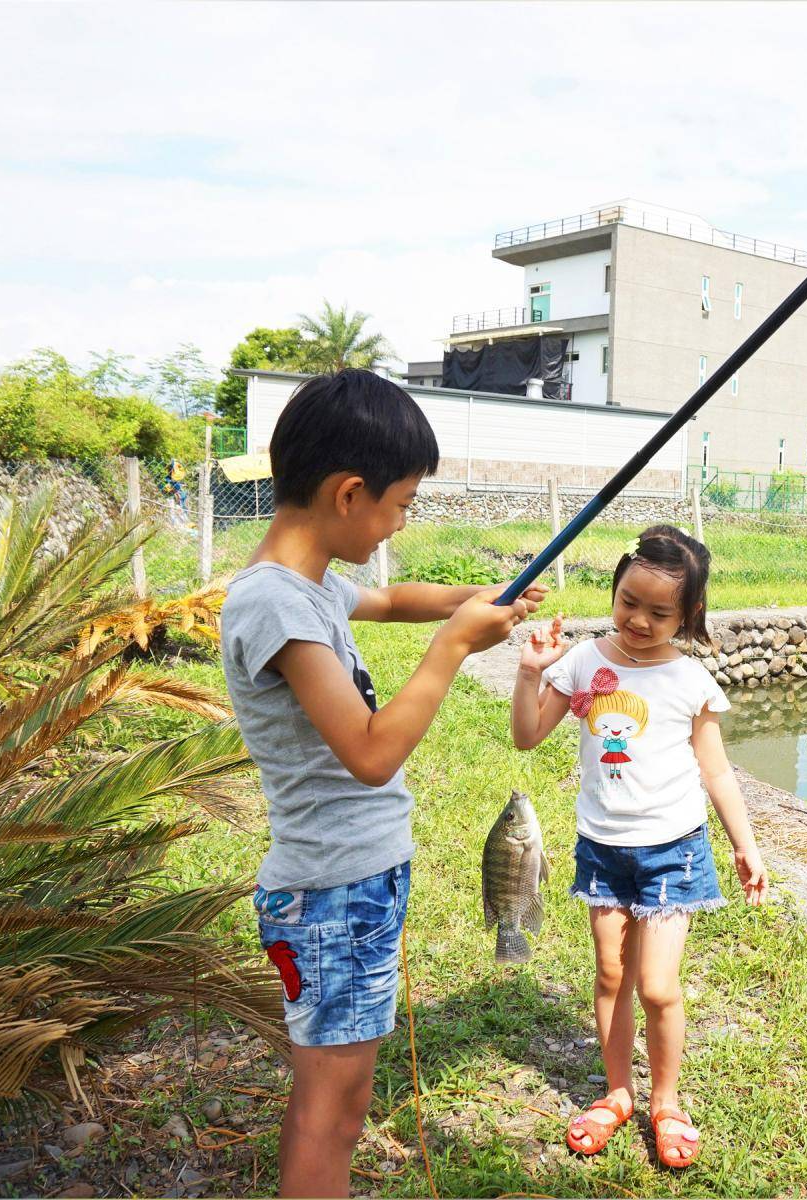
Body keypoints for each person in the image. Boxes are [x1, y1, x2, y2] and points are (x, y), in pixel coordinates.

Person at [220, 368, 543, 1197]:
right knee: (330, 1110)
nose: (401, 521)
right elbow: (368, 753)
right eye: (400, 504)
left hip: (353, 887)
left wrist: (479, 598)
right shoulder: (275, 606)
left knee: (344, 1098)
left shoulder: (312, 584)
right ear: (349, 493)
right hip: (331, 897)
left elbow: (396, 598)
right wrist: (454, 648)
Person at [511, 524, 769, 1170]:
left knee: (657, 985)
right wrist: (529, 673)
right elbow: (525, 735)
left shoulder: (689, 680)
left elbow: (715, 771)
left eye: (660, 612)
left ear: (689, 615)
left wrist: (745, 845)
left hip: (673, 852)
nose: (639, 620)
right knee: (609, 974)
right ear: (616, 587)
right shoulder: (584, 662)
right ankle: (619, 1091)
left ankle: (668, 1099)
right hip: (603, 849)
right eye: (629, 601)